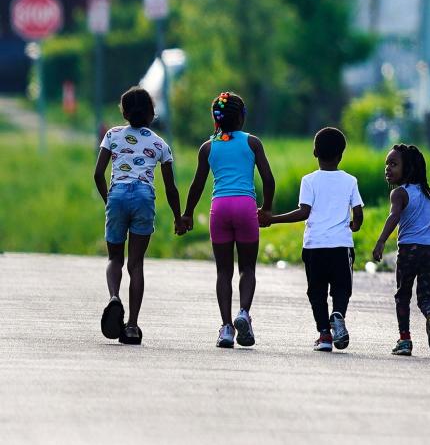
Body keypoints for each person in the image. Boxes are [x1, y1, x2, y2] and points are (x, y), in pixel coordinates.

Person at [182, 91, 274, 349]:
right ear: (242, 117)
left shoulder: (208, 147)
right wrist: (266, 209)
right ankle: (243, 313)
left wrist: (187, 214)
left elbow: (197, 184)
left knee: (224, 271)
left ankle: (225, 328)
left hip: (219, 208)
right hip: (245, 207)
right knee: (247, 268)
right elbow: (269, 179)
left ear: (216, 118)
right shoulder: (252, 143)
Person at [92, 87, 184, 345]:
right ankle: (132, 326)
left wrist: (109, 200)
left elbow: (98, 174)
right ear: (152, 112)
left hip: (118, 194)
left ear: (123, 111)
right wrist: (178, 217)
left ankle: (114, 297)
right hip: (144, 197)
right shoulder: (160, 144)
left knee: (114, 259)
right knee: (136, 264)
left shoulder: (112, 135)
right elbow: (171, 189)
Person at [261, 127, 363, 352]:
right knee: (342, 288)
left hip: (315, 246)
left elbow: (303, 212)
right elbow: (358, 212)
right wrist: (355, 225)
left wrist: (273, 219)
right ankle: (338, 314)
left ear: (314, 152)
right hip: (341, 246)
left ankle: (325, 335)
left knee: (316, 291)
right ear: (341, 154)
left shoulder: (309, 181)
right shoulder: (350, 180)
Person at [371, 144, 430, 356]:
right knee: (426, 297)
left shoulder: (399, 193)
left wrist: (381, 241)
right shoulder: (426, 193)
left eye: (393, 164)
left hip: (409, 250)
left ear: (408, 168)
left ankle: (405, 340)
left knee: (403, 296)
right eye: (387, 164)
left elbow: (393, 217)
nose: (388, 168)